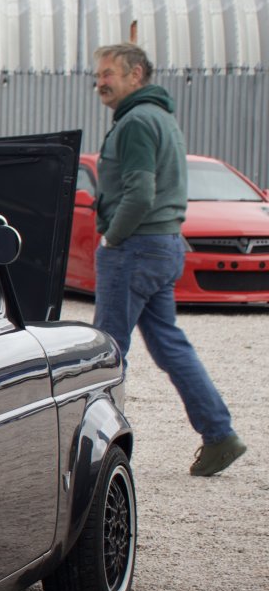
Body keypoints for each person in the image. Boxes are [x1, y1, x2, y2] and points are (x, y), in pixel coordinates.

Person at [90, 42, 246, 476]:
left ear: (136, 74)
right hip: (165, 244)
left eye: (108, 74)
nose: (99, 82)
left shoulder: (137, 122)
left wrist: (112, 238)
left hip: (136, 247)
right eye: (98, 75)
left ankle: (93, 451)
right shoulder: (161, 119)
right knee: (170, 346)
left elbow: (140, 192)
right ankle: (219, 435)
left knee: (107, 349)